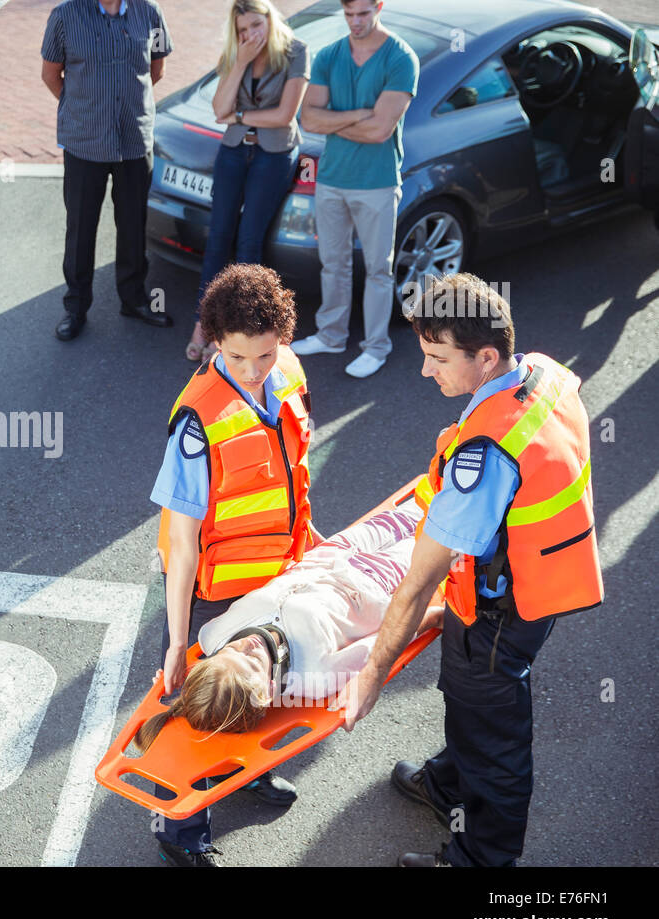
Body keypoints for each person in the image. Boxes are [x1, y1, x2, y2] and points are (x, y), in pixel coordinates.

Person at [337, 273, 603, 867]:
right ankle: (451, 785)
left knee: (494, 736)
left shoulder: (485, 457)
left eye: (437, 358)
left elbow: (418, 583)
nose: (426, 371)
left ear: (486, 357)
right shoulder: (542, 373)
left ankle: (482, 861)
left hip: (502, 613)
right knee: (466, 690)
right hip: (538, 581)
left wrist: (373, 673)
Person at [147, 262, 316, 866]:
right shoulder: (198, 421)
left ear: (283, 341)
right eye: (239, 357)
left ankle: (247, 774)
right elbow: (184, 542)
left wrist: (308, 541)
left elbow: (290, 477)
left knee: (262, 690)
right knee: (200, 714)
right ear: (216, 341)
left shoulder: (288, 373)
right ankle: (180, 829)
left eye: (265, 355)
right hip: (212, 594)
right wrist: (176, 640)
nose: (254, 371)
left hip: (273, 578)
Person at [133, 499, 430, 751]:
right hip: (381, 579)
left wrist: (181, 676)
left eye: (232, 650)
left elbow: (214, 669)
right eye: (251, 662)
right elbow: (387, 640)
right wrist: (434, 616)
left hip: (336, 549)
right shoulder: (317, 675)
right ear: (268, 690)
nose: (247, 645)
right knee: (440, 530)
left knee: (418, 504)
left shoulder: (213, 635)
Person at [292, 0, 418, 378]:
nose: (356, 22)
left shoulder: (401, 58)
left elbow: (381, 130)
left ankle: (376, 347)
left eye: (363, 13)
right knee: (333, 263)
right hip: (332, 178)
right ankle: (331, 335)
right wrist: (358, 115)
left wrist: (332, 122)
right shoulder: (330, 54)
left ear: (379, 6)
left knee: (378, 268)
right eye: (349, 15)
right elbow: (308, 118)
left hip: (377, 183)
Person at [41, 0, 174, 342]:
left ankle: (133, 300)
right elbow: (50, 74)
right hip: (85, 142)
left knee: (133, 224)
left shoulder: (149, 12)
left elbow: (156, 69)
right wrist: (84, 109)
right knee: (81, 226)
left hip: (133, 138)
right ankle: (75, 307)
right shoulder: (65, 15)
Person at [186, 0, 309, 363]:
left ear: (270, 20)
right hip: (235, 152)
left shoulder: (296, 52)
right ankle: (203, 326)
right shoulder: (235, 54)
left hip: (273, 156)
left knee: (249, 243)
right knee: (218, 237)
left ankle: (238, 332)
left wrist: (239, 114)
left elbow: (285, 115)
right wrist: (239, 62)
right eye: (242, 30)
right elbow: (217, 109)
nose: (250, 35)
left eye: (256, 25)